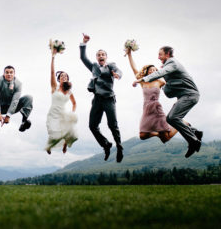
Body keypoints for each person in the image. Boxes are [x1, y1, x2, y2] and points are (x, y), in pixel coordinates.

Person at [133, 46, 203, 158]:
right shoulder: (168, 66)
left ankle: (194, 141)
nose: (158, 57)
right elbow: (173, 81)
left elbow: (160, 73)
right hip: (184, 96)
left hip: (190, 96)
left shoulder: (173, 63)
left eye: (160, 54)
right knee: (171, 119)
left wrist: (142, 79)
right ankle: (194, 133)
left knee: (172, 118)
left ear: (168, 54)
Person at [80, 33, 123, 162]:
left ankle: (119, 148)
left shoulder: (111, 66)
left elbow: (119, 72)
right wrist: (84, 43)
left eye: (103, 54)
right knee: (92, 126)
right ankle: (106, 145)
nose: (100, 56)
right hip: (97, 100)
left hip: (109, 99)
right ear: (97, 58)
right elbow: (83, 58)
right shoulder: (93, 67)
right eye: (98, 55)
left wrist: (117, 75)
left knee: (112, 125)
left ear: (106, 57)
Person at [126, 48, 180, 143]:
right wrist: (129, 54)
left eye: (155, 70)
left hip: (156, 109)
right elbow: (134, 68)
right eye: (150, 70)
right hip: (146, 110)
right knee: (142, 135)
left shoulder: (160, 81)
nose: (152, 72)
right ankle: (159, 133)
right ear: (146, 72)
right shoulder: (143, 82)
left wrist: (179, 99)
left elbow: (174, 86)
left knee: (165, 139)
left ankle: (181, 125)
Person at [45, 43, 78, 154]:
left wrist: (72, 113)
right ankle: (49, 146)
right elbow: (52, 72)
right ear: (59, 79)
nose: (64, 77)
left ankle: (65, 145)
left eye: (66, 76)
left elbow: (74, 103)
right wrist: (53, 57)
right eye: (62, 76)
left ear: (68, 79)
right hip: (53, 113)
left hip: (63, 114)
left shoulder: (69, 91)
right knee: (54, 134)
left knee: (70, 132)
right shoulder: (55, 87)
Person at [0, 66, 33, 132]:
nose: (9, 74)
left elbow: (15, 100)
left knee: (29, 97)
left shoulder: (18, 84)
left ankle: (24, 122)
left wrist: (8, 116)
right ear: (4, 74)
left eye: (11, 72)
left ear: (14, 74)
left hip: (13, 107)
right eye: (7, 72)